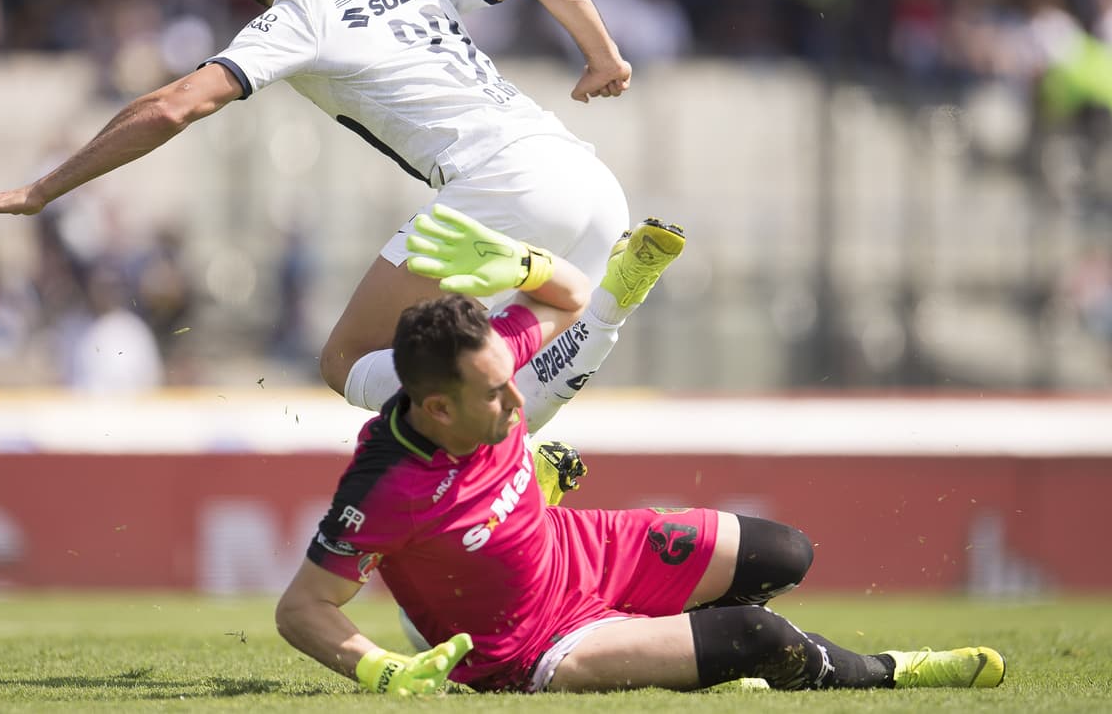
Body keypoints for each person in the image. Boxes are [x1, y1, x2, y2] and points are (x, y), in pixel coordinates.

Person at [0, 0, 641, 430]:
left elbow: (172, 105)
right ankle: (599, 316)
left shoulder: (299, 11)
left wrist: (45, 188)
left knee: (348, 361)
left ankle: (545, 327)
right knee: (490, 394)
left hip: (504, 189)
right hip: (587, 175)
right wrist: (603, 57)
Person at [274, 207, 1007, 696]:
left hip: (584, 550)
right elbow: (303, 606)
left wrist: (523, 263)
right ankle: (885, 673)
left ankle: (698, 655)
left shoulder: (484, 362)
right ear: (435, 408)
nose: (517, 400)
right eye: (495, 396)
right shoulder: (384, 483)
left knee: (785, 554)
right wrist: (380, 669)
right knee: (753, 633)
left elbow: (569, 298)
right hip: (536, 648)